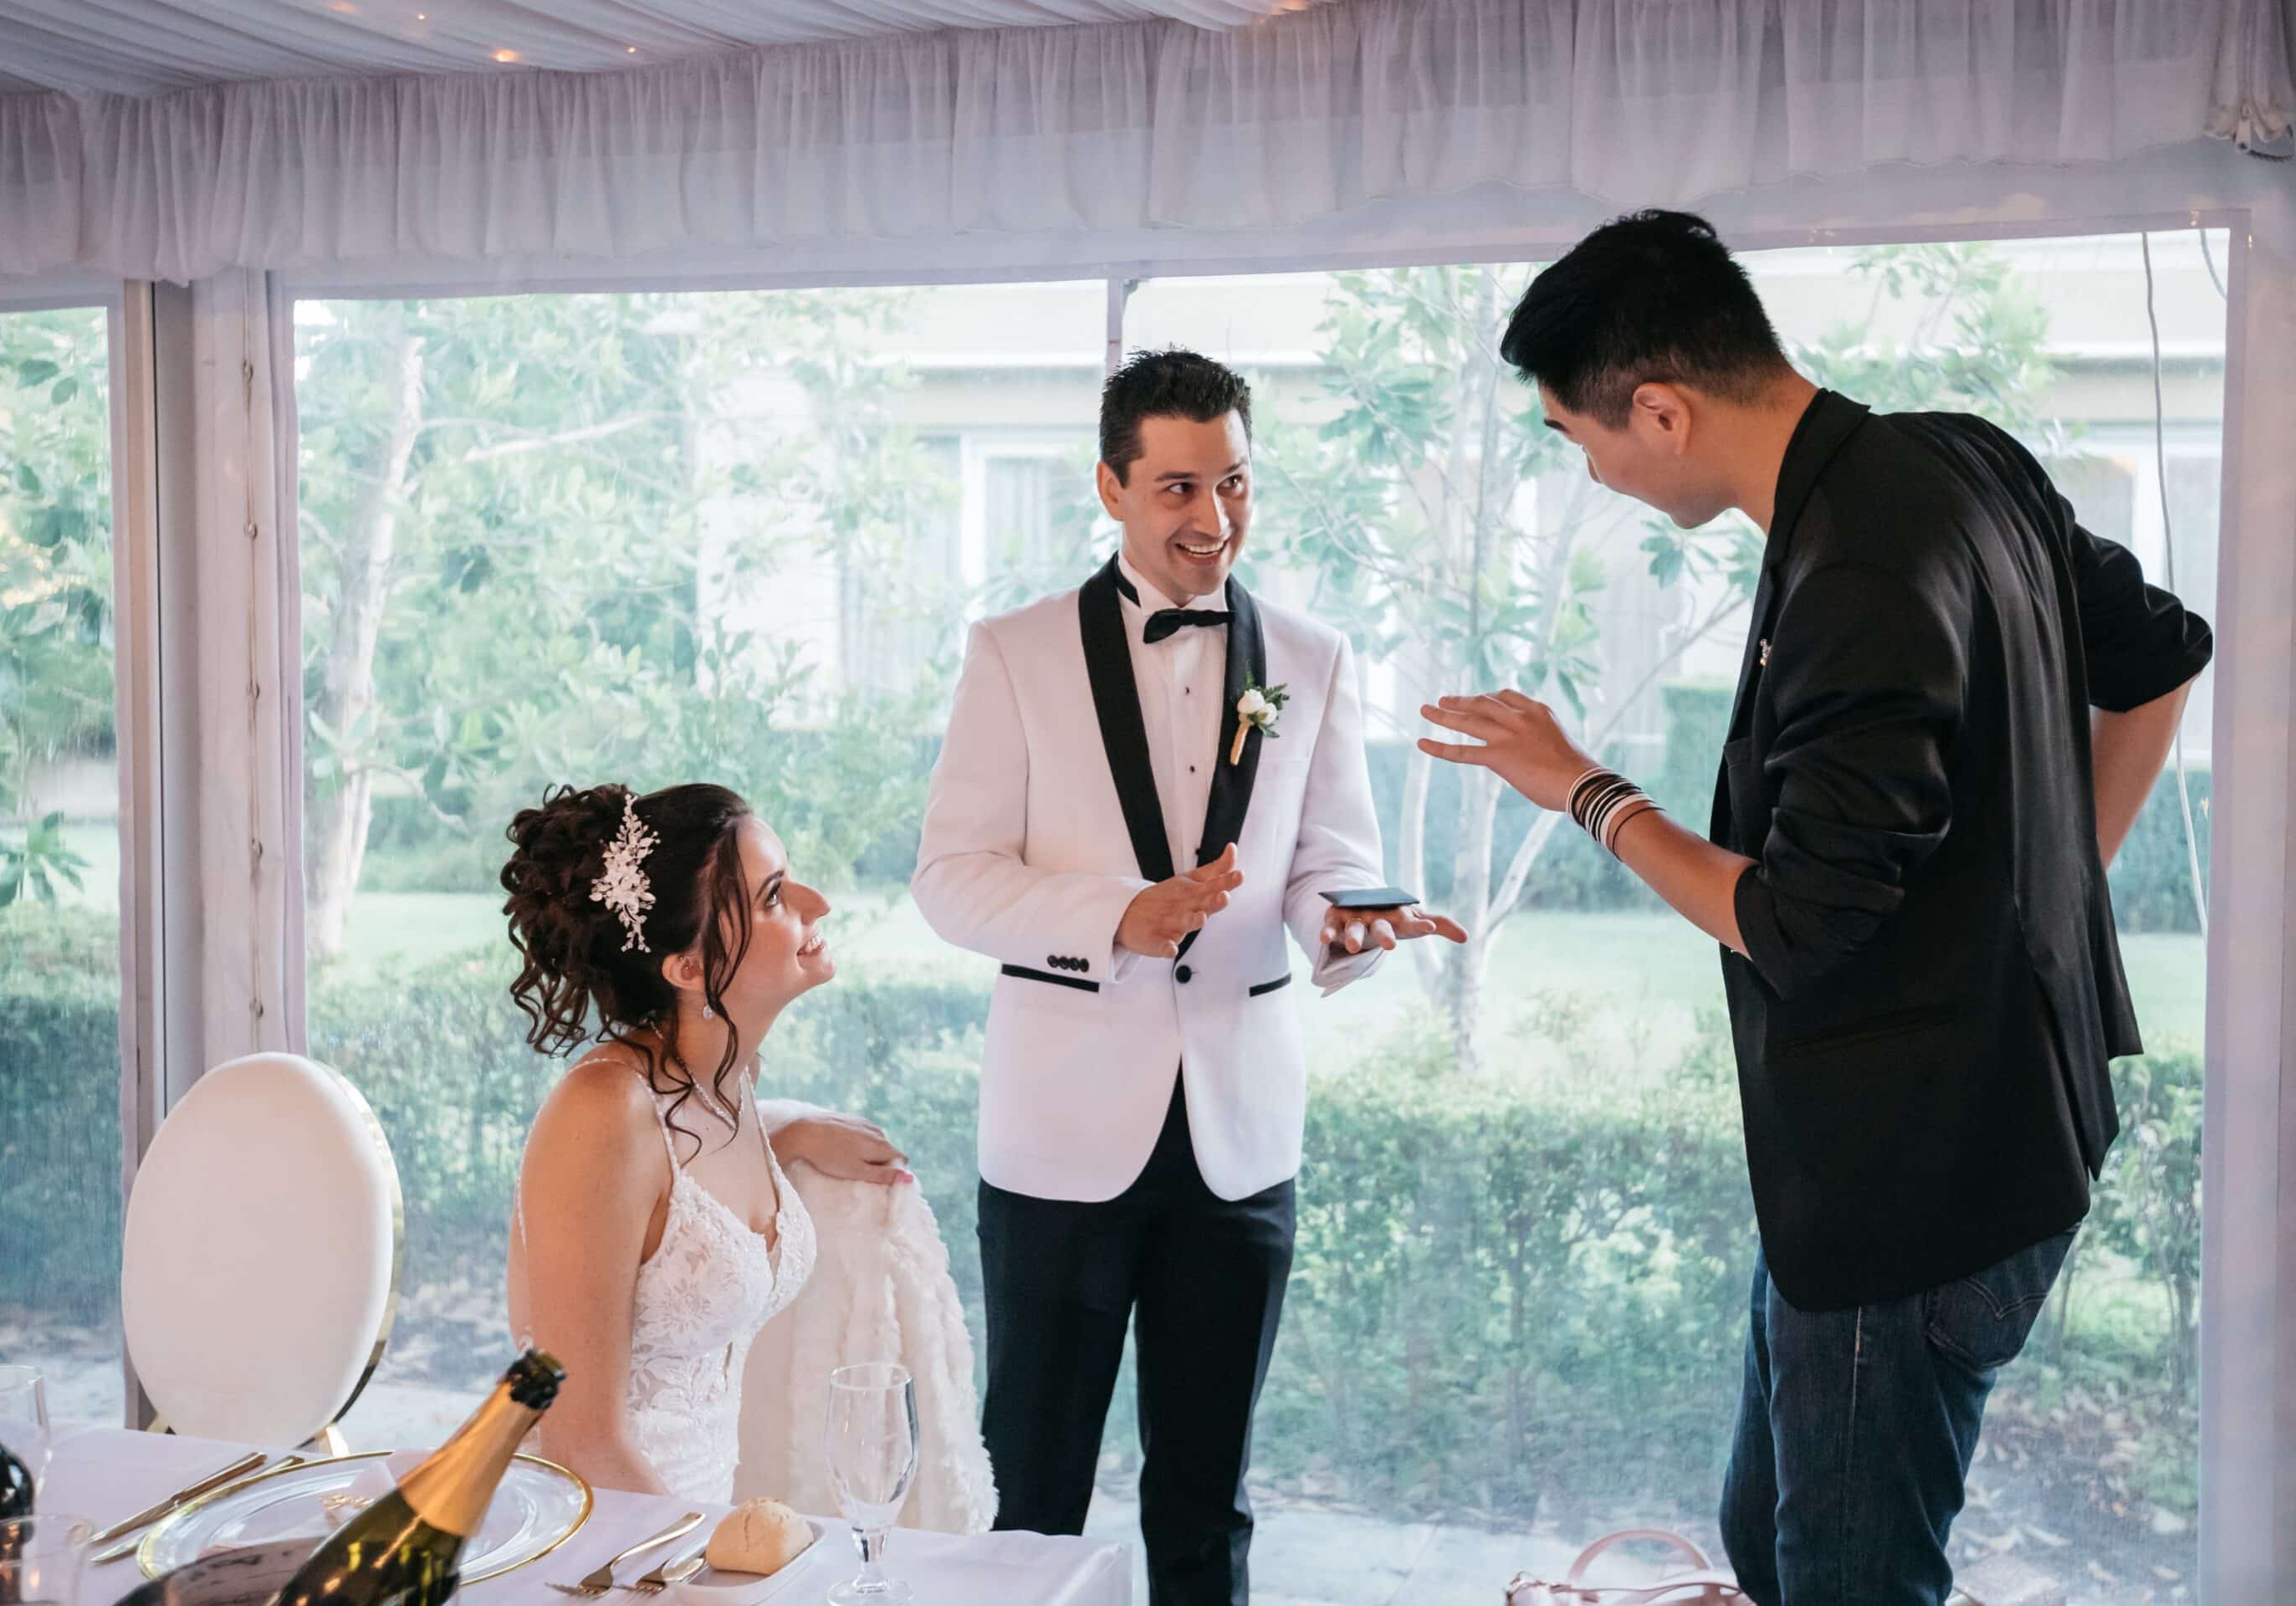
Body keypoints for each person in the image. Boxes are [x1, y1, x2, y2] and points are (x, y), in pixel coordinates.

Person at [1417, 211, 2213, 1604]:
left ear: (1660, 411)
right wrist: (2047, 886)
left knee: (1843, 1578)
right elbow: (2161, 660)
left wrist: (1584, 790)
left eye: (1579, 438)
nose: (1593, 472)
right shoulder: (1957, 456)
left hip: (1914, 1181)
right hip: (1978, 1136)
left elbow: (1787, 921)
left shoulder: (1858, 569)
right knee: (1769, 1538)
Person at [912, 348, 1464, 1605]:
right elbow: (951, 879)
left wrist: (1346, 922)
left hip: (1241, 1138)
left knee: (1209, 1503)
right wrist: (1119, 916)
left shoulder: (1314, 657)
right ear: (1110, 486)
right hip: (1059, 1141)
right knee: (1031, 1493)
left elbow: (1329, 859)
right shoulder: (1013, 653)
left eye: (1235, 484)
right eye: (1177, 488)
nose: (1213, 518)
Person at [499, 780, 912, 1496]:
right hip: (603, 1529)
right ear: (688, 968)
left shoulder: (729, 1080)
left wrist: (791, 1134)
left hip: (700, 1515)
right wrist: (704, 1554)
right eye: (773, 896)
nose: (817, 903)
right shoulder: (599, 1112)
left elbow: (676, 1196)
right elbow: (581, 1442)